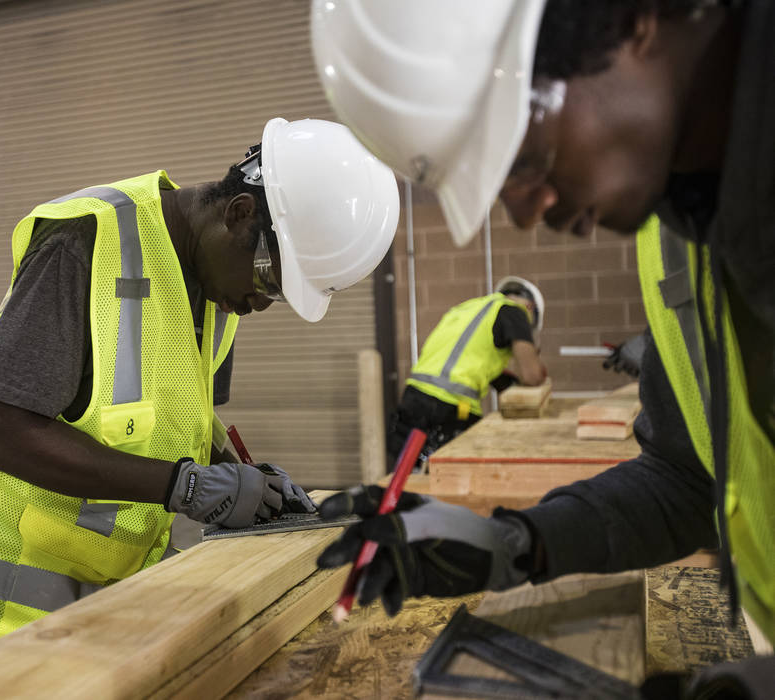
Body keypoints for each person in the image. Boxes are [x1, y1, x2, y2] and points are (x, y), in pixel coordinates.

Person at [311, 1, 775, 691]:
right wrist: (517, 542)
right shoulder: (673, 238)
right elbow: (688, 481)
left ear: (632, 20)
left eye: (524, 155)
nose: (526, 211)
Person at [0, 117, 399, 649]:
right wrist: (186, 486)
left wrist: (250, 483)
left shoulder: (218, 290)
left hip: (101, 604)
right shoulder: (82, 244)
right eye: (270, 280)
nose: (258, 304)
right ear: (239, 214)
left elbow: (184, 424)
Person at [391, 276, 547, 459]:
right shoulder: (516, 311)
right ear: (530, 307)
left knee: (411, 477)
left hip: (414, 398)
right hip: (450, 407)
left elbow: (469, 359)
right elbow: (533, 377)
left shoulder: (469, 309)